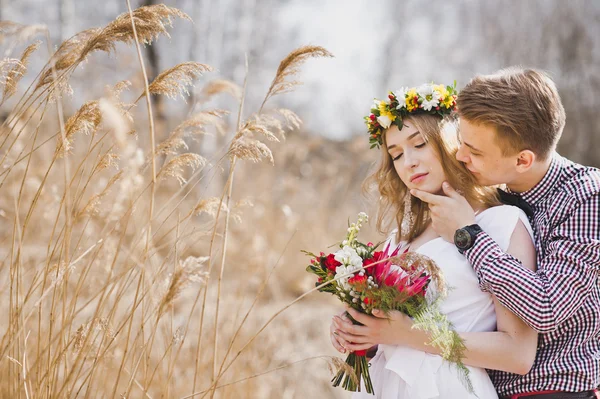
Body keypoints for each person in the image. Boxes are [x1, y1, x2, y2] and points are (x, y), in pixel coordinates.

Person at [331, 83, 537, 399]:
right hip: (389, 388)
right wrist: (363, 333)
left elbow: (518, 354)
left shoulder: (500, 222)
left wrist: (408, 334)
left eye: (419, 144)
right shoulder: (398, 240)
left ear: (451, 140)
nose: (408, 162)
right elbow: (391, 335)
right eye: (396, 154)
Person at [408, 68, 600, 399]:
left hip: (554, 390)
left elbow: (547, 306)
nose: (459, 155)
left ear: (523, 160)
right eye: (462, 142)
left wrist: (467, 234)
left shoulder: (586, 197)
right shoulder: (493, 195)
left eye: (475, 151)